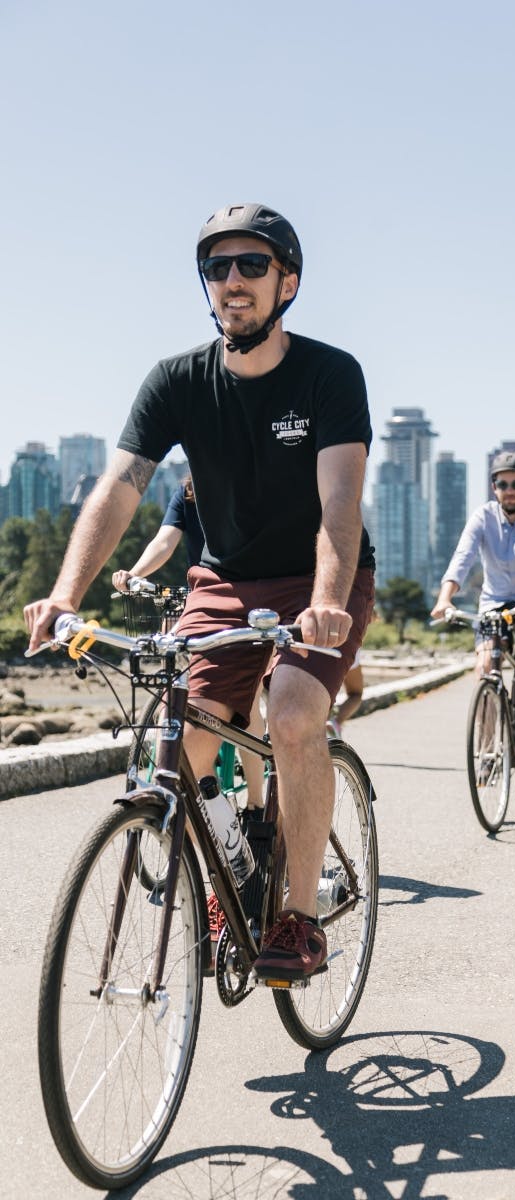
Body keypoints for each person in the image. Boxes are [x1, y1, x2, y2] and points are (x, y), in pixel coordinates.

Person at [25, 202, 375, 980]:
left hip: (318, 577)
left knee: (290, 714)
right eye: (217, 268)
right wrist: (63, 595)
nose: (232, 281)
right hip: (222, 577)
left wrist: (325, 602)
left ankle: (299, 917)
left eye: (252, 265)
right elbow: (120, 487)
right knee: (181, 737)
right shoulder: (176, 381)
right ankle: (231, 877)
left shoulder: (328, 374)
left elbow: (339, 506)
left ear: (288, 283)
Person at [111, 476, 267, 811]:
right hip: (202, 601)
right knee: (175, 674)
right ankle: (203, 788)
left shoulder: (247, 486)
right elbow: (165, 540)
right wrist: (136, 573)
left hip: (249, 600)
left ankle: (257, 805)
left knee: (247, 696)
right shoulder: (187, 494)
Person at [431, 450, 515, 749]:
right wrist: (445, 599)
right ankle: (488, 748)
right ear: (494, 488)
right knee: (485, 669)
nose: (509, 491)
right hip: (494, 601)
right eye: (502, 485)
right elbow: (462, 559)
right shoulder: (483, 516)